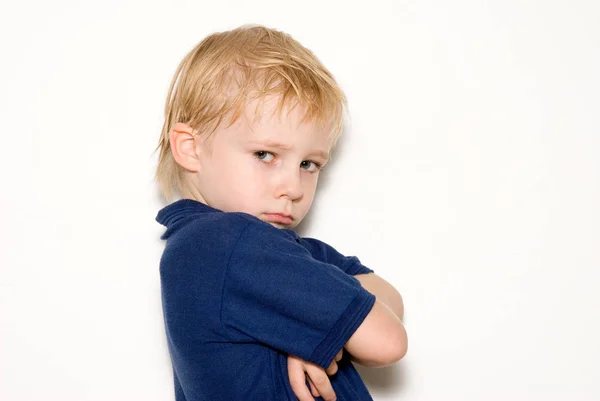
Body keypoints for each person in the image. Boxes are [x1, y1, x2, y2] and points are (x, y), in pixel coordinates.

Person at [154, 25, 407, 401]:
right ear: (190, 148)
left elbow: (390, 301)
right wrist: (324, 331)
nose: (293, 187)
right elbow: (388, 341)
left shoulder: (282, 249)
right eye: (265, 155)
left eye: (309, 163)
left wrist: (311, 333)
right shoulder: (228, 242)